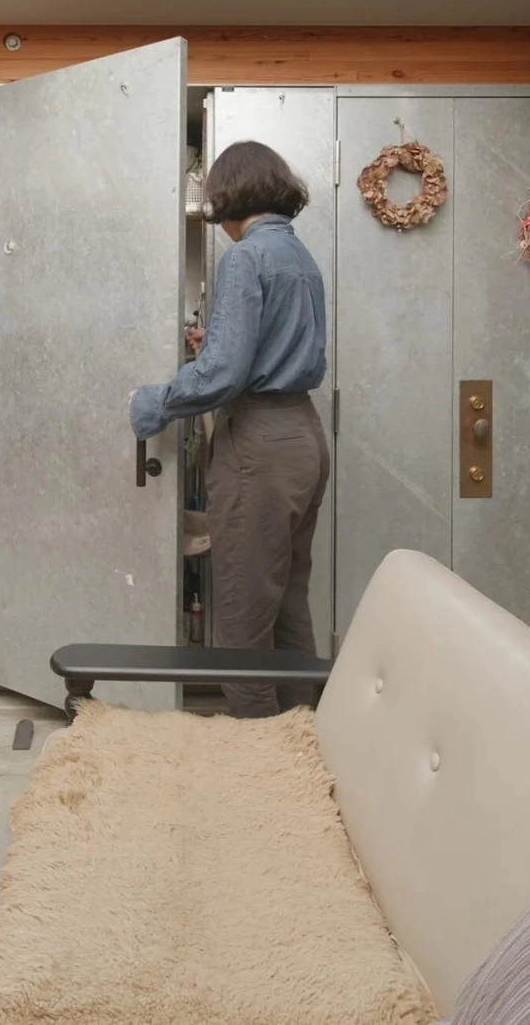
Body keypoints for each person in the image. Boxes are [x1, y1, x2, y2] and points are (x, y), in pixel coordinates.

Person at [129, 141, 328, 718]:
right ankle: (303, 737)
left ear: (229, 196)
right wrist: (214, 346)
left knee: (242, 615)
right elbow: (262, 350)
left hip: (259, 445)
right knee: (287, 605)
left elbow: (223, 375)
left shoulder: (245, 257)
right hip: (303, 436)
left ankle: (255, 749)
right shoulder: (298, 255)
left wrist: (152, 403)